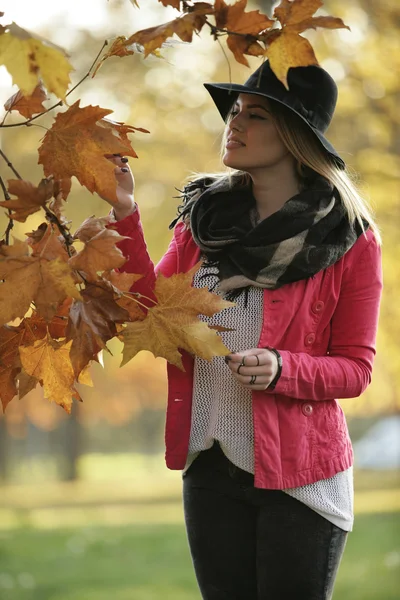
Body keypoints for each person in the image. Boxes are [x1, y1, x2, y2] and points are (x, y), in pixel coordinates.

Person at [100, 61, 383, 600]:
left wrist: (282, 368)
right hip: (210, 468)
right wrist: (124, 211)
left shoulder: (348, 238)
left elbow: (355, 368)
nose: (235, 122)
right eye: (234, 111)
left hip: (301, 478)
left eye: (255, 114)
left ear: (296, 133)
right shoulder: (202, 222)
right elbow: (147, 314)